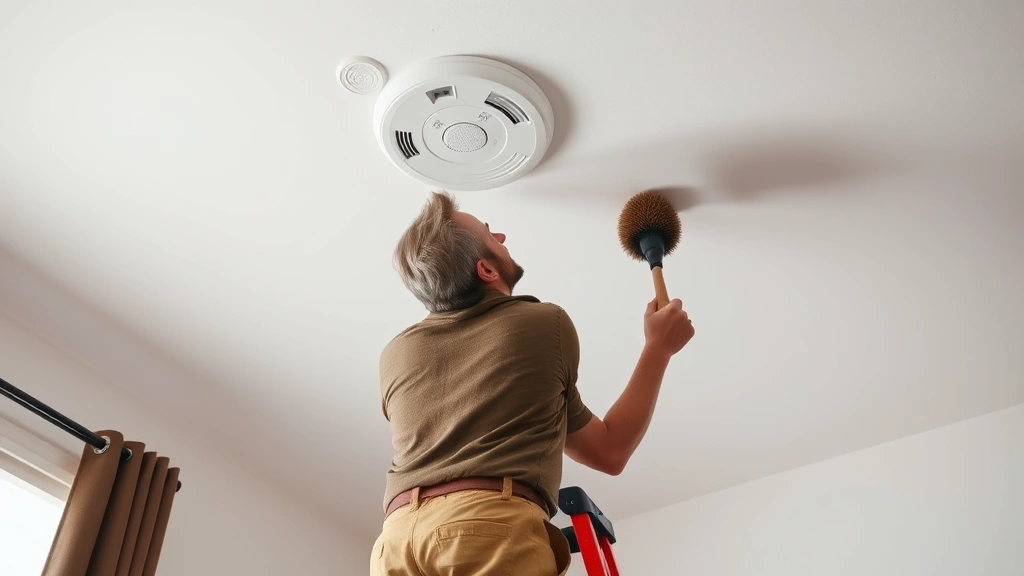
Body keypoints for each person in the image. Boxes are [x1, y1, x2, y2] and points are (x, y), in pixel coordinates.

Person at [370, 191, 694, 576]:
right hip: (483, 529)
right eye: (491, 235)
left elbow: (603, 451)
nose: (503, 238)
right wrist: (657, 349)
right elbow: (611, 451)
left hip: (395, 543)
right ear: (486, 271)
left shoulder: (395, 355)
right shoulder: (542, 324)